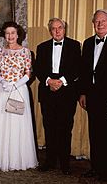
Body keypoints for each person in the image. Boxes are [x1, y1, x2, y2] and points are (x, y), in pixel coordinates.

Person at [0, 21, 38, 171]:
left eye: (13, 33)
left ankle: (17, 159)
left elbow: (28, 73)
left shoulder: (26, 52)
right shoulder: (0, 51)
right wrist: (2, 80)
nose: (10, 36)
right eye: (7, 33)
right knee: (1, 124)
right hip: (2, 90)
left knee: (16, 124)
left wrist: (15, 84)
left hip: (18, 90)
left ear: (18, 34)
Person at [79, 9, 107, 182]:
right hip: (92, 97)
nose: (99, 24)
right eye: (97, 21)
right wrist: (82, 92)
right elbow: (84, 71)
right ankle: (96, 167)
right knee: (95, 134)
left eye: (103, 21)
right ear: (93, 24)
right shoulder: (89, 42)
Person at [34, 18, 81, 175]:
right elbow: (38, 68)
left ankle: (65, 164)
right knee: (49, 127)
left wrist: (61, 81)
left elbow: (77, 68)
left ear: (64, 29)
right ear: (50, 31)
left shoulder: (75, 46)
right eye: (53, 28)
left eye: (60, 28)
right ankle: (50, 161)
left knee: (65, 128)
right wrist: (48, 81)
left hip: (66, 92)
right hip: (47, 92)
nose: (57, 31)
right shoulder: (42, 47)